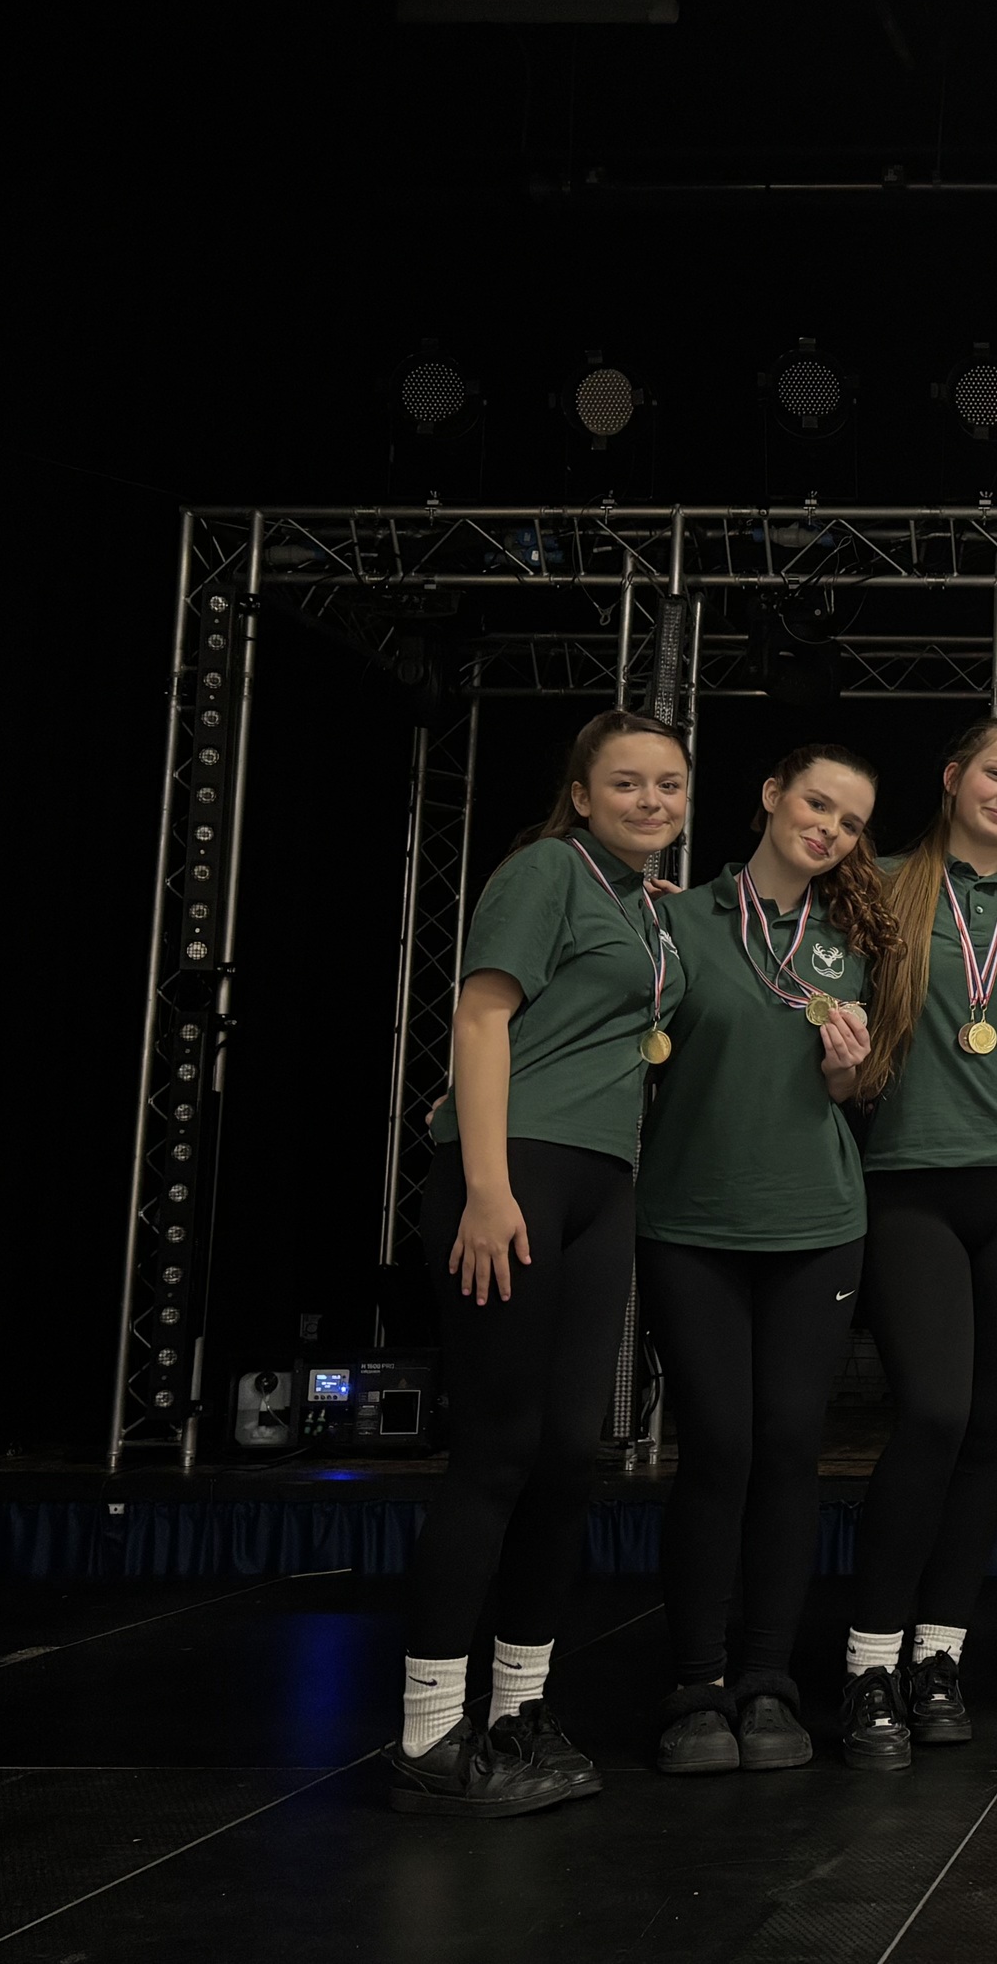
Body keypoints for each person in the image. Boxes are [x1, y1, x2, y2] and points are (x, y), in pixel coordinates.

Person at [391, 709, 689, 1817]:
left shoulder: (647, 910)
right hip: (513, 1172)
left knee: (569, 1456)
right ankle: (429, 1732)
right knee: (498, 1453)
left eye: (669, 785)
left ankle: (520, 1708)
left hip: (602, 1185)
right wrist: (484, 1186)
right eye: (628, 783)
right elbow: (480, 1020)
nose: (651, 801)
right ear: (581, 793)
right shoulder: (545, 872)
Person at [633, 745, 889, 1778]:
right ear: (773, 795)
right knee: (719, 1449)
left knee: (789, 1448)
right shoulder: (672, 920)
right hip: (692, 1223)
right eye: (817, 803)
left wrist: (846, 1074)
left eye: (851, 821)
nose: (829, 828)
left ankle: (769, 1679)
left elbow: (849, 1094)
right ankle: (696, 1684)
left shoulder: (851, 939)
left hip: (817, 1224)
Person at [840, 718, 997, 1769]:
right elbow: (771, 938)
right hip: (910, 1186)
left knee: (985, 1428)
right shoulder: (877, 887)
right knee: (932, 1413)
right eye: (996, 773)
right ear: (952, 776)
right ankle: (868, 1662)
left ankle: (939, 1656)